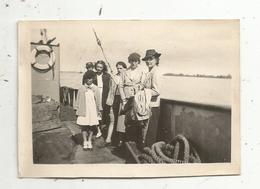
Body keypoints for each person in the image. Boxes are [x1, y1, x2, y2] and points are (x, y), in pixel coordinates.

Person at [119, 52, 147, 149]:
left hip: (137, 100)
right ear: (129, 61)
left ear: (138, 62)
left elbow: (143, 85)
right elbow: (120, 86)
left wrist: (137, 88)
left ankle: (137, 143)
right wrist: (123, 99)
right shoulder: (124, 72)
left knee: (137, 121)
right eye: (131, 61)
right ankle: (126, 143)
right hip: (126, 100)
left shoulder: (142, 72)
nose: (133, 63)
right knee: (127, 121)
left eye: (135, 61)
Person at [75, 70, 102, 150]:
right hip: (84, 109)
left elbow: (98, 101)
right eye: (87, 78)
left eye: (90, 78)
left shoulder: (96, 89)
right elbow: (78, 99)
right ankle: (85, 141)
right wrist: (76, 108)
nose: (89, 80)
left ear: (93, 79)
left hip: (93, 110)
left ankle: (89, 140)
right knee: (84, 126)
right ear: (85, 79)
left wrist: (99, 110)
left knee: (91, 126)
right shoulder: (81, 88)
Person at [142, 49, 161, 147]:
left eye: (151, 59)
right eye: (147, 59)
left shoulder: (156, 72)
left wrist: (142, 93)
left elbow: (157, 91)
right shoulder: (150, 72)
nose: (148, 61)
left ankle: (147, 154)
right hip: (147, 106)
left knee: (149, 134)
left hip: (153, 107)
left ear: (156, 59)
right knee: (145, 131)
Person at [106, 61, 127, 147]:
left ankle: (120, 141)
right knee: (112, 120)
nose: (119, 70)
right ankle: (108, 138)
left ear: (125, 68)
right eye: (117, 68)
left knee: (121, 122)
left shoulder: (127, 77)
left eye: (121, 68)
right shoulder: (114, 77)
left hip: (123, 101)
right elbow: (111, 90)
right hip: (114, 100)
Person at [93, 60, 111, 139]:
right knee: (96, 113)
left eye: (101, 67)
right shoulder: (93, 75)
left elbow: (110, 88)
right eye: (97, 67)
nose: (99, 69)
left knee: (105, 113)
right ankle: (98, 130)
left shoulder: (107, 76)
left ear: (103, 68)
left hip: (104, 96)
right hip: (95, 95)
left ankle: (104, 129)